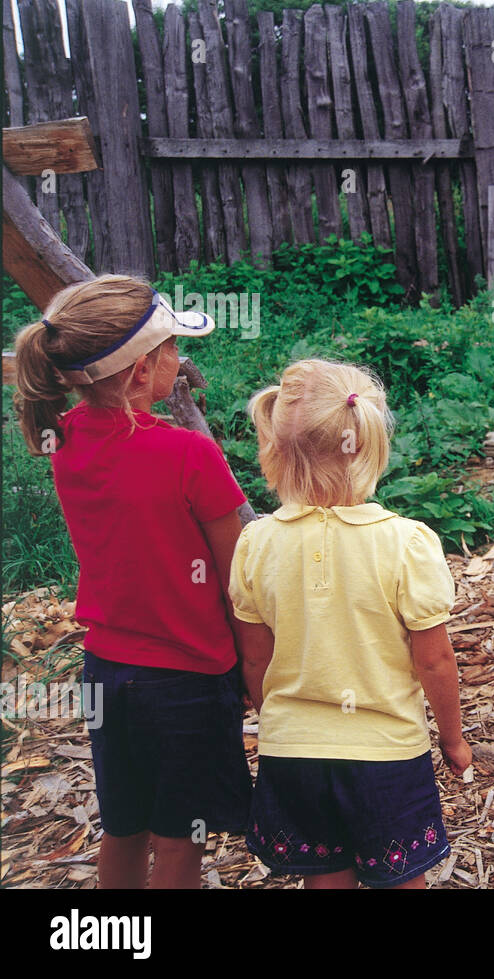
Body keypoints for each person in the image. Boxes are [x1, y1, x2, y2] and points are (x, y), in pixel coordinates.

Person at [12, 275, 252, 888]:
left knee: (123, 828)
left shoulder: (64, 438)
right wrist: (259, 671)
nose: (181, 355)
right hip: (187, 679)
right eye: (172, 344)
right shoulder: (189, 454)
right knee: (180, 841)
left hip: (107, 672)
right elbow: (237, 575)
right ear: (144, 371)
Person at [230, 359, 471, 889]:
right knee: (402, 878)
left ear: (274, 449)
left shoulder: (256, 542)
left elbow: (254, 657)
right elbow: (433, 659)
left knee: (324, 877)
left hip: (292, 752)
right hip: (385, 753)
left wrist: (283, 719)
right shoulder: (406, 542)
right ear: (366, 444)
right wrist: (452, 738)